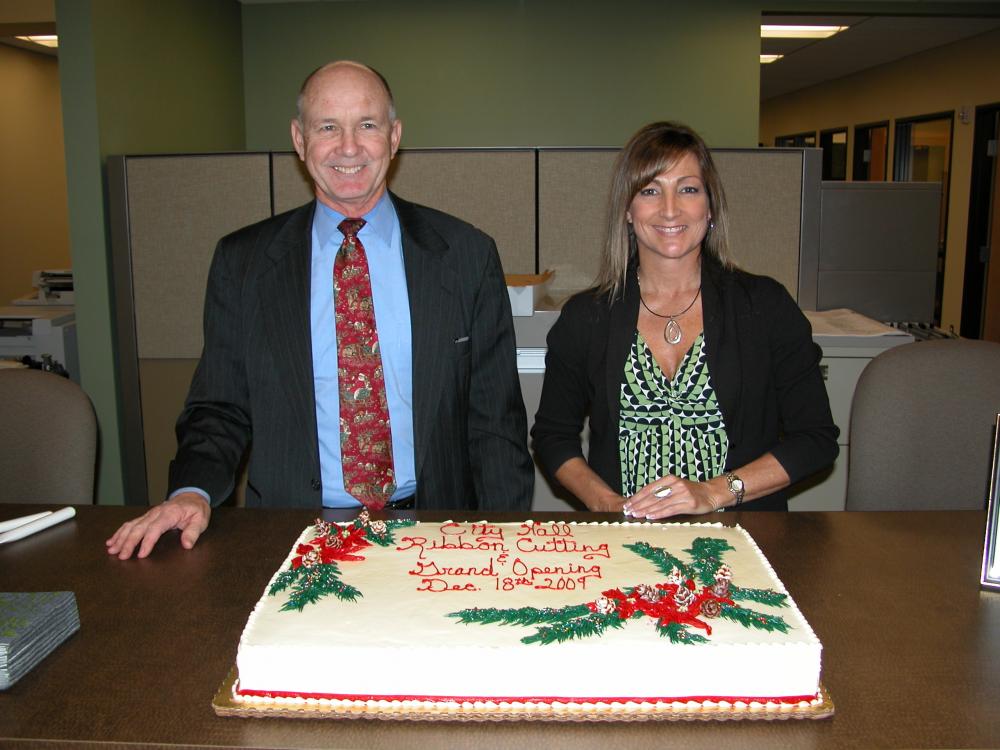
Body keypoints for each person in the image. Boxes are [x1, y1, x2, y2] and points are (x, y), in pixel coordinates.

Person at [107, 61, 533, 559]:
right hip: (292, 532)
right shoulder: (243, 262)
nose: (348, 147)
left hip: (435, 531)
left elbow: (494, 422)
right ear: (299, 139)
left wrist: (504, 538)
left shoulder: (465, 254)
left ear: (394, 137)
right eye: (327, 126)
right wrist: (191, 490)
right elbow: (218, 406)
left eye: (367, 125)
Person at [531, 121, 838, 519]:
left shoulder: (765, 307)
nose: (670, 209)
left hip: (741, 540)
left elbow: (815, 438)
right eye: (650, 190)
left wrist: (713, 493)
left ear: (710, 207)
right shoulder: (587, 317)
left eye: (688, 189)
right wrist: (608, 506)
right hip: (626, 545)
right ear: (628, 209)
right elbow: (553, 437)